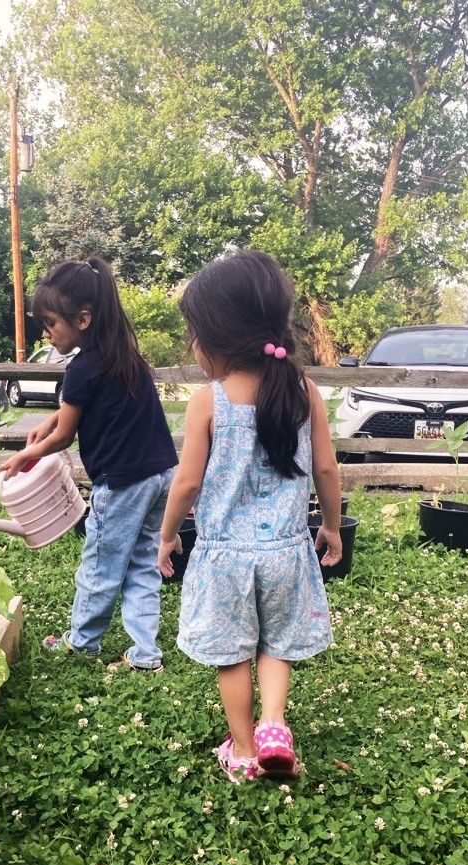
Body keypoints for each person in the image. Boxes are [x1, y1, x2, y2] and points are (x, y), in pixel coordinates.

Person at [158, 250, 341, 782]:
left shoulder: (208, 401)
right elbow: (327, 471)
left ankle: (242, 751)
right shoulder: (305, 391)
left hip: (225, 560)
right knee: (277, 642)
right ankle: (274, 724)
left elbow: (187, 483)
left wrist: (167, 537)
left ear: (217, 337)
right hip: (287, 551)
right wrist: (328, 526)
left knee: (233, 655)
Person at [0, 256, 177, 671]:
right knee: (142, 564)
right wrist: (47, 422)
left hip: (123, 484)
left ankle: (82, 643)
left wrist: (26, 454)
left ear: (82, 318)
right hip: (160, 477)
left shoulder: (81, 368)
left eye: (49, 323)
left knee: (100, 566)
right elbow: (73, 415)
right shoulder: (125, 358)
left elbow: (66, 435)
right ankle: (145, 654)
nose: (46, 332)